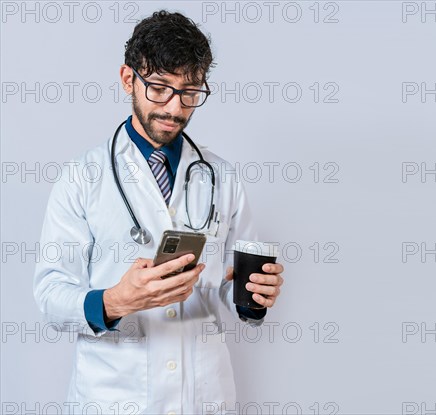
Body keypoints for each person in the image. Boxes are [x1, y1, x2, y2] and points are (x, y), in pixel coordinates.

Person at [33, 10, 284, 414]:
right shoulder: (82, 176)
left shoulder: (222, 176)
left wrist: (252, 295)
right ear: (128, 79)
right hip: (115, 397)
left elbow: (230, 284)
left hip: (202, 397)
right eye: (160, 88)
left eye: (189, 91)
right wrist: (115, 301)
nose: (174, 107)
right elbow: (50, 295)